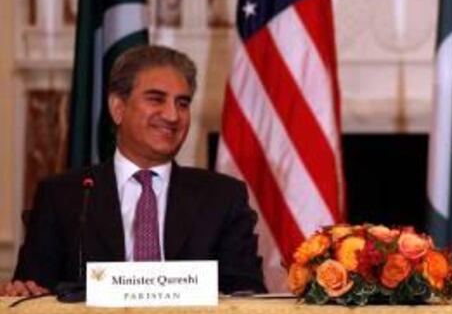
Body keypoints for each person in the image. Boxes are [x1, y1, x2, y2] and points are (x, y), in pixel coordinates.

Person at [2, 45, 266, 296]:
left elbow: (246, 296)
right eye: (156, 99)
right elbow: (32, 294)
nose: (173, 116)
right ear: (118, 108)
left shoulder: (222, 197)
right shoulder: (64, 196)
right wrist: (23, 292)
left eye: (182, 103)